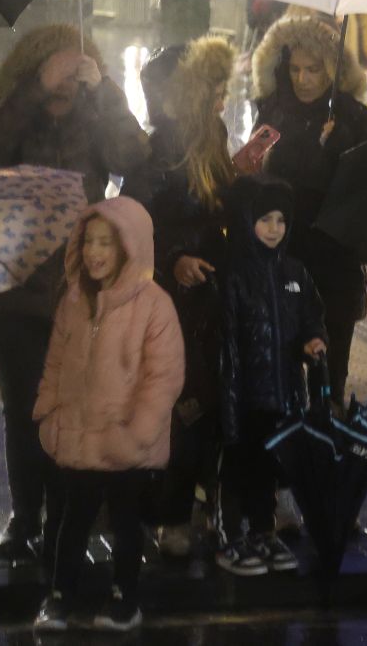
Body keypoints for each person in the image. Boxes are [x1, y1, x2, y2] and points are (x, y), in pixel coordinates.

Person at [0, 24, 151, 564]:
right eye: (55, 67)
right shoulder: (19, 112)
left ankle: (64, 518)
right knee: (23, 409)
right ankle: (24, 514)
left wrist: (104, 93)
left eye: (76, 67)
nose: (67, 77)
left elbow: (132, 156)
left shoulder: (95, 113)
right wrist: (34, 90)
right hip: (15, 283)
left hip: (80, 284)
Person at [32, 197, 184, 633]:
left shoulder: (154, 304)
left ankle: (124, 597)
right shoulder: (75, 300)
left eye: (106, 243)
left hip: (126, 439)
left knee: (125, 523)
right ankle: (60, 596)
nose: (94, 252)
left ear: (129, 247)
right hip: (79, 434)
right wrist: (48, 411)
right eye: (88, 242)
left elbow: (164, 377)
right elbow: (56, 360)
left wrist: (137, 433)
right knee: (71, 520)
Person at [121, 36, 236, 567]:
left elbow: (217, 209)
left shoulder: (214, 136)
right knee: (176, 404)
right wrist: (174, 260)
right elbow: (136, 219)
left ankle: (204, 505)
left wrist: (243, 180)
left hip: (211, 294)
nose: (221, 97)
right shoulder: (159, 148)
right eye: (212, 87)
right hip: (169, 300)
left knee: (210, 403)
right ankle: (168, 515)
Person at [251, 8, 367, 407]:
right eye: (295, 69)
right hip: (283, 256)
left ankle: (329, 433)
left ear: (332, 70)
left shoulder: (355, 118)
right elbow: (253, 178)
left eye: (313, 69)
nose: (303, 79)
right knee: (280, 376)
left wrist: (340, 148)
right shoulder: (273, 111)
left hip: (333, 263)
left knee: (330, 378)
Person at [215, 175, 327, 577]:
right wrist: (228, 397)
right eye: (265, 219)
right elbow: (227, 340)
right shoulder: (235, 274)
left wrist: (313, 340)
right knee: (236, 466)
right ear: (248, 221)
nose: (274, 228)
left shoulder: (294, 272)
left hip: (283, 391)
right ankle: (229, 537)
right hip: (244, 393)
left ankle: (263, 532)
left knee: (268, 467)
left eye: (281, 220)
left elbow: (311, 316)